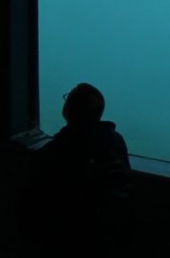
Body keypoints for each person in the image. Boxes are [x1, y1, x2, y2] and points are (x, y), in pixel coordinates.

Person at [24, 82, 132, 256]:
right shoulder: (115, 141)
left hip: (64, 238)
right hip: (107, 236)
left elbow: (33, 202)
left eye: (68, 99)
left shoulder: (55, 152)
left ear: (69, 110)